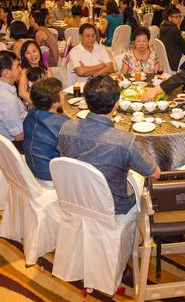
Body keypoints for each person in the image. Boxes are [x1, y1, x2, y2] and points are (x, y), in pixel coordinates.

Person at [57, 76, 160, 214]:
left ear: (86, 101)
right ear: (116, 103)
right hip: (113, 208)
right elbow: (155, 173)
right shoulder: (125, 141)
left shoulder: (66, 127)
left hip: (75, 199)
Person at [22, 78, 68, 185]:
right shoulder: (62, 125)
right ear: (54, 103)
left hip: (31, 166)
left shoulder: (31, 113)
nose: (64, 94)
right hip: (50, 176)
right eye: (62, 92)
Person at [0, 50, 27, 151]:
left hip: (12, 137)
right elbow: (19, 136)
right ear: (7, 73)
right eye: (17, 66)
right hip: (17, 145)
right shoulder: (7, 99)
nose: (20, 69)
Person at [18, 39, 51, 106]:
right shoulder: (24, 72)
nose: (32, 55)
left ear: (39, 51)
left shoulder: (46, 68)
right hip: (32, 105)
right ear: (24, 56)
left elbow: (52, 86)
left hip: (47, 103)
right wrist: (39, 103)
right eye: (28, 53)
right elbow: (22, 93)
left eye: (34, 51)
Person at [158, 6, 185, 71]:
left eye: (180, 16)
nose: (179, 19)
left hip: (165, 61)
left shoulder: (162, 27)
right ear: (169, 18)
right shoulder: (174, 29)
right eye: (176, 17)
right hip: (175, 63)